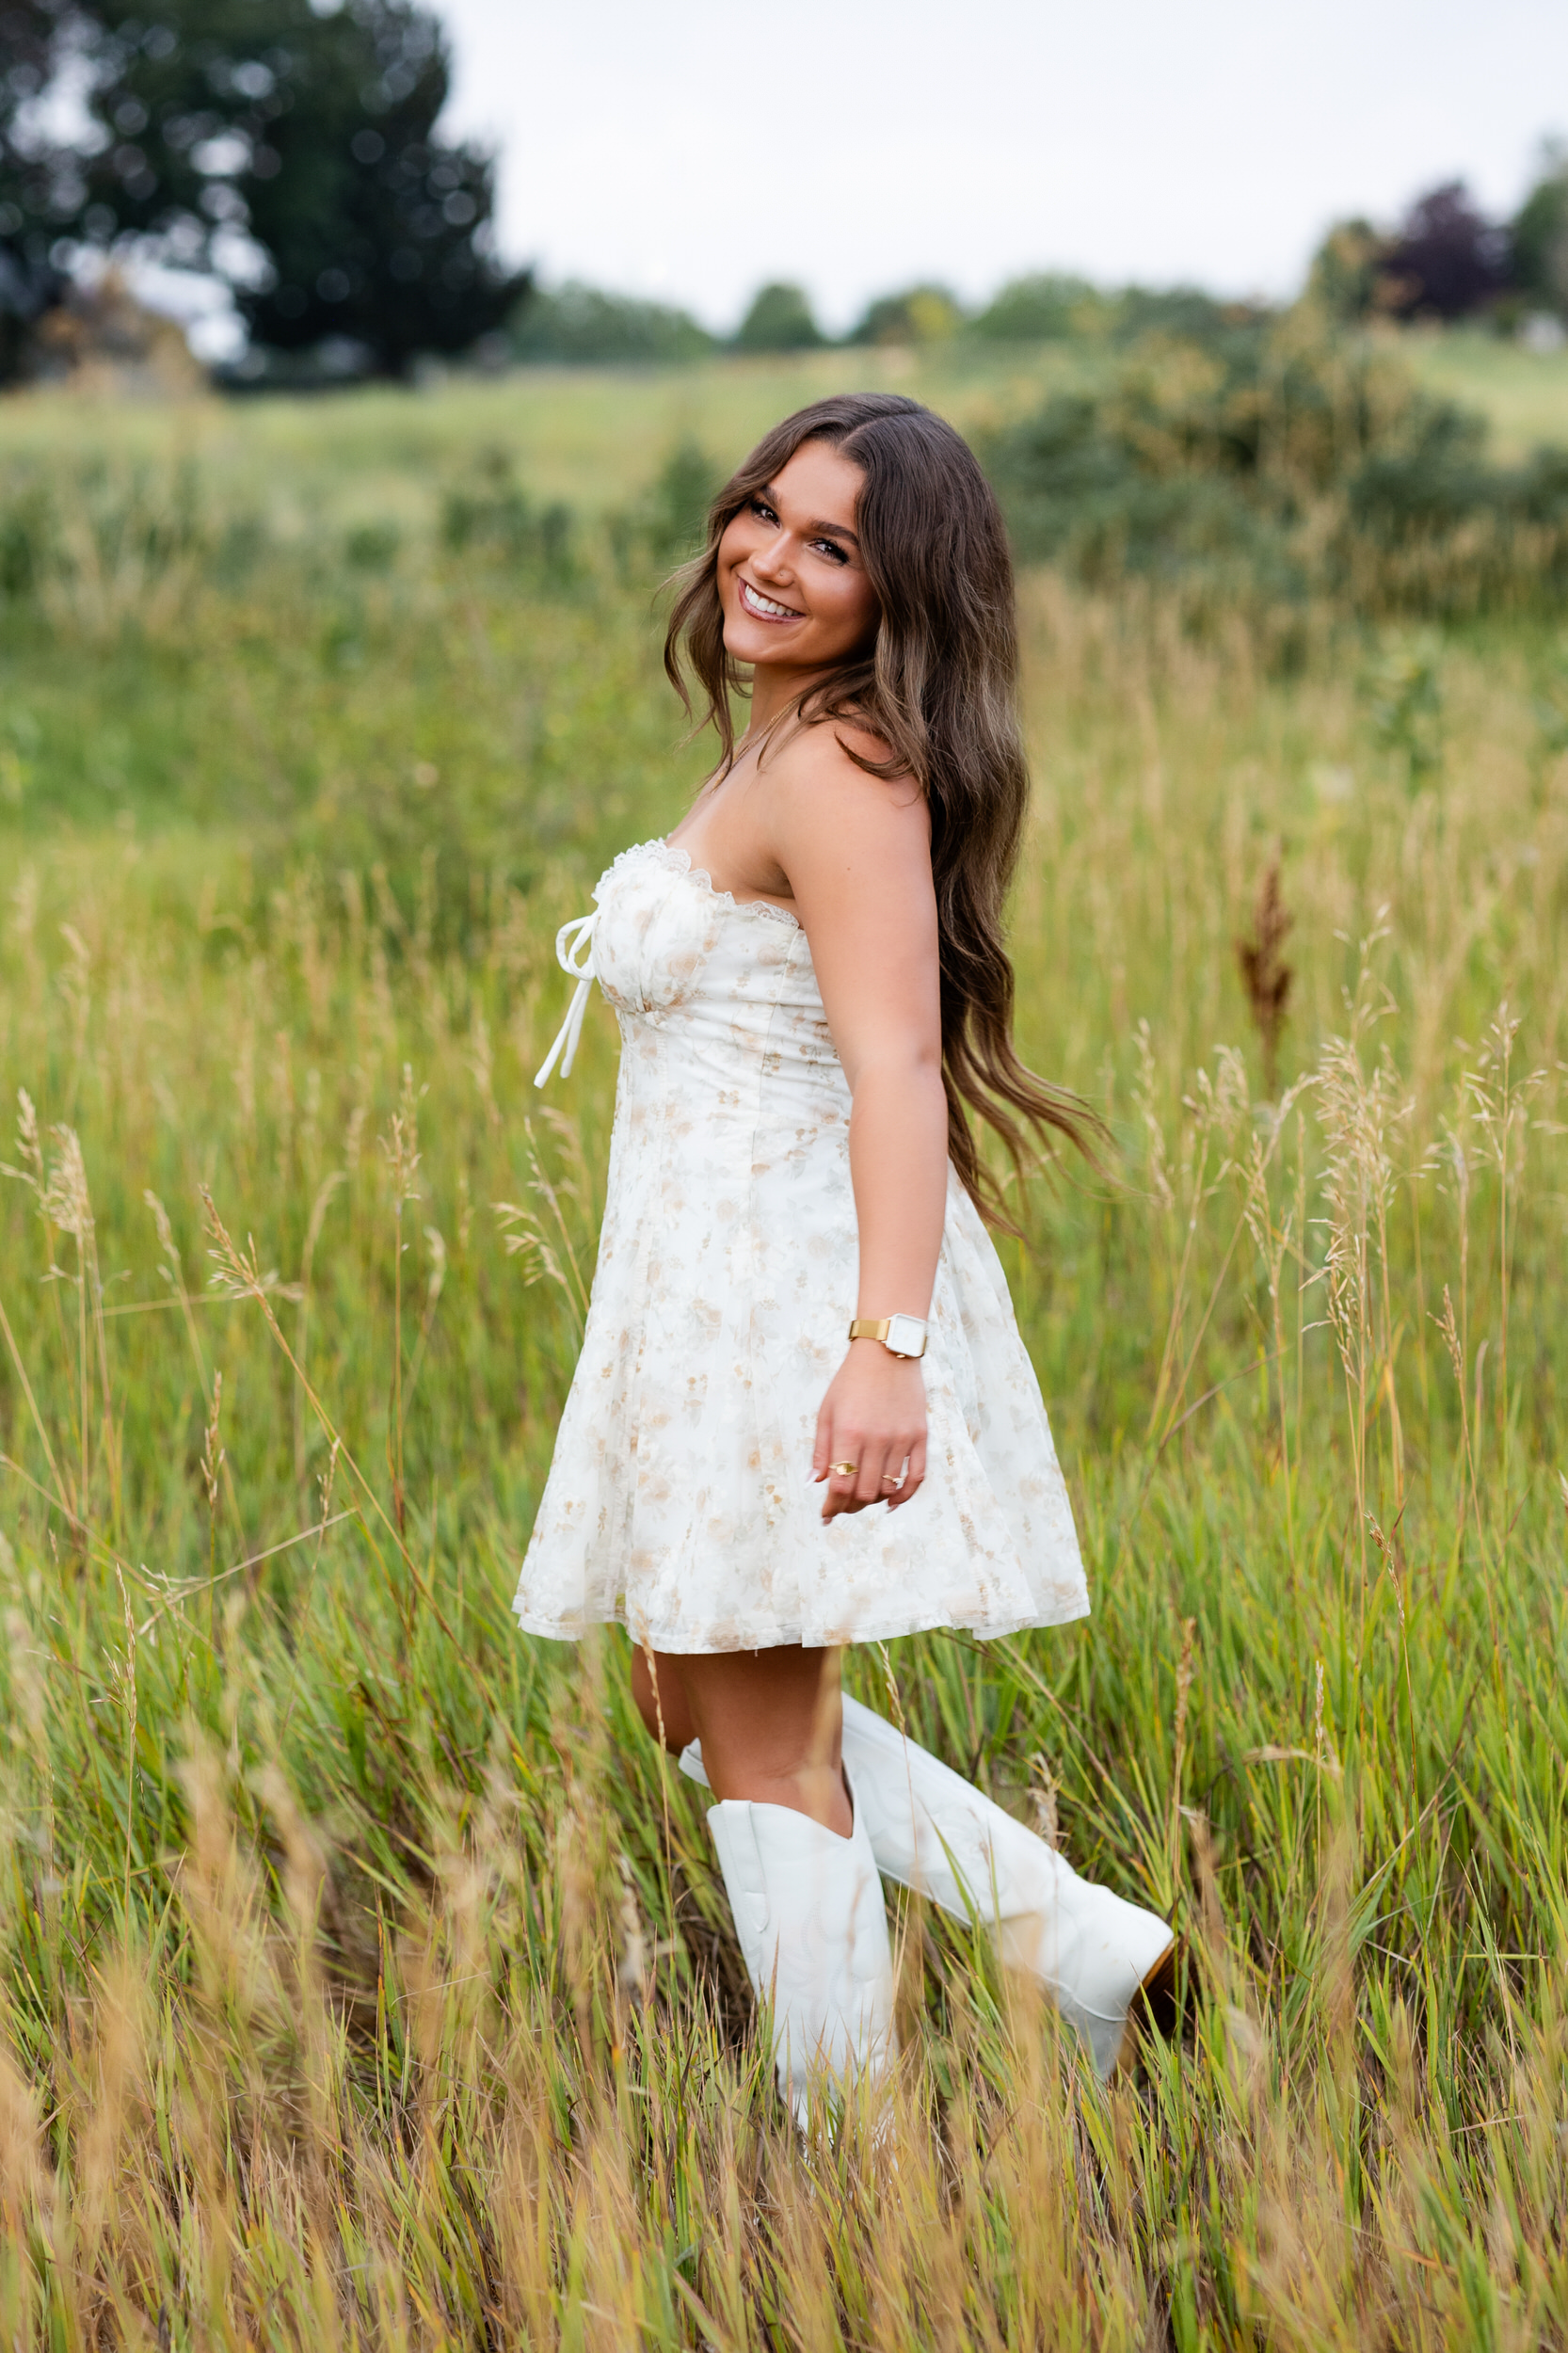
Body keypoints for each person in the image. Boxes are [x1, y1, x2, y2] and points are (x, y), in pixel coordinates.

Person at [519, 393, 1174, 2120]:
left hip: (784, 1290)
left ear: (903, 595)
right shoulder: (778, 738)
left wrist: (883, 1344)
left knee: (750, 1725)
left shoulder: (842, 765)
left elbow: (894, 1063)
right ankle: (1088, 1951)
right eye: (763, 513)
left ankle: (852, 2158)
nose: (769, 559)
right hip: (699, 1283)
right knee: (685, 1682)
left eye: (831, 547)